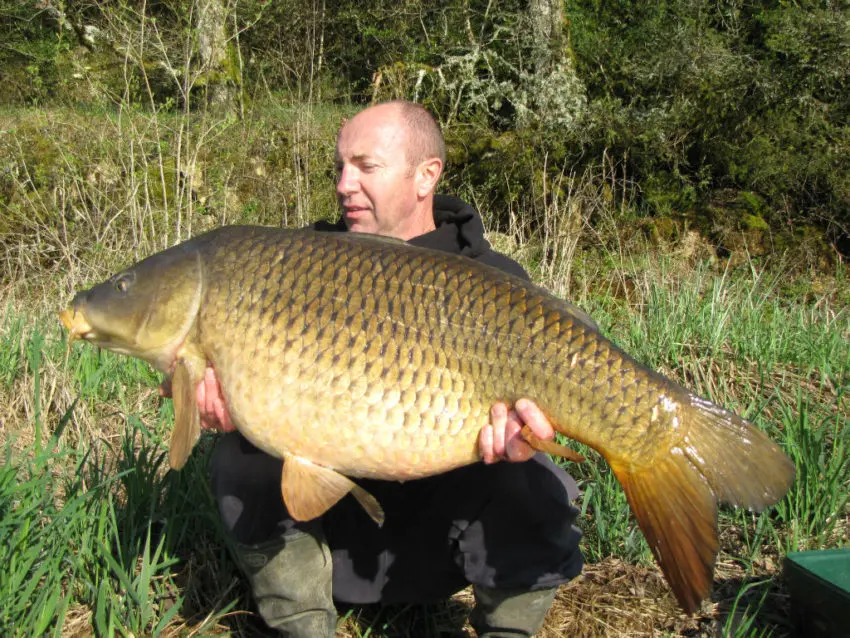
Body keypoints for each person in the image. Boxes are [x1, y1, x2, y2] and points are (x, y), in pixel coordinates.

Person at [195, 101, 586, 637]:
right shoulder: (297, 264)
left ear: (427, 175)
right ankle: (301, 625)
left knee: (534, 480)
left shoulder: (493, 281)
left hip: (442, 535)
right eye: (339, 167)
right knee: (241, 456)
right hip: (332, 537)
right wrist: (234, 399)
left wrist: (527, 434)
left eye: (365, 166)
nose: (343, 184)